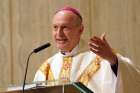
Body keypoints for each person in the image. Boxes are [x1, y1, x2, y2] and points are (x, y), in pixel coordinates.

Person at [34, 7, 140, 93]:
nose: (59, 33)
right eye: (55, 27)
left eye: (65, 27)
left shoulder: (102, 58)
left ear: (80, 30)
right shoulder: (47, 67)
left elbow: (134, 79)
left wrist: (113, 60)